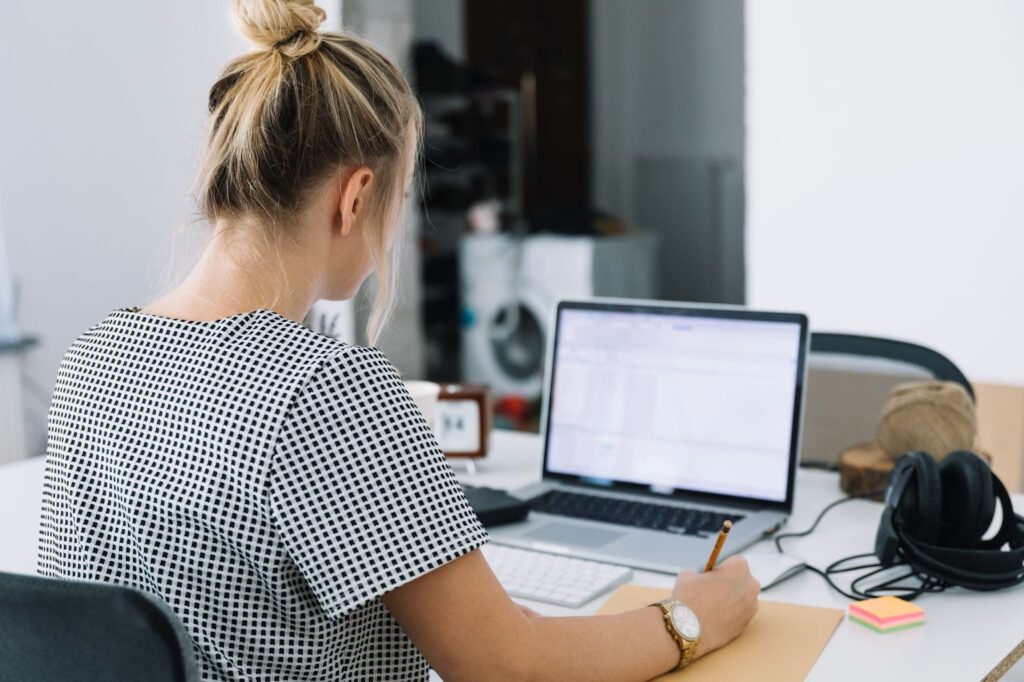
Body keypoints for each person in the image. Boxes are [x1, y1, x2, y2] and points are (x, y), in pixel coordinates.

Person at [37, 1, 759, 679]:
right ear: (354, 199)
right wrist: (696, 616)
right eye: (400, 193)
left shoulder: (94, 356)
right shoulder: (324, 387)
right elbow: (506, 667)